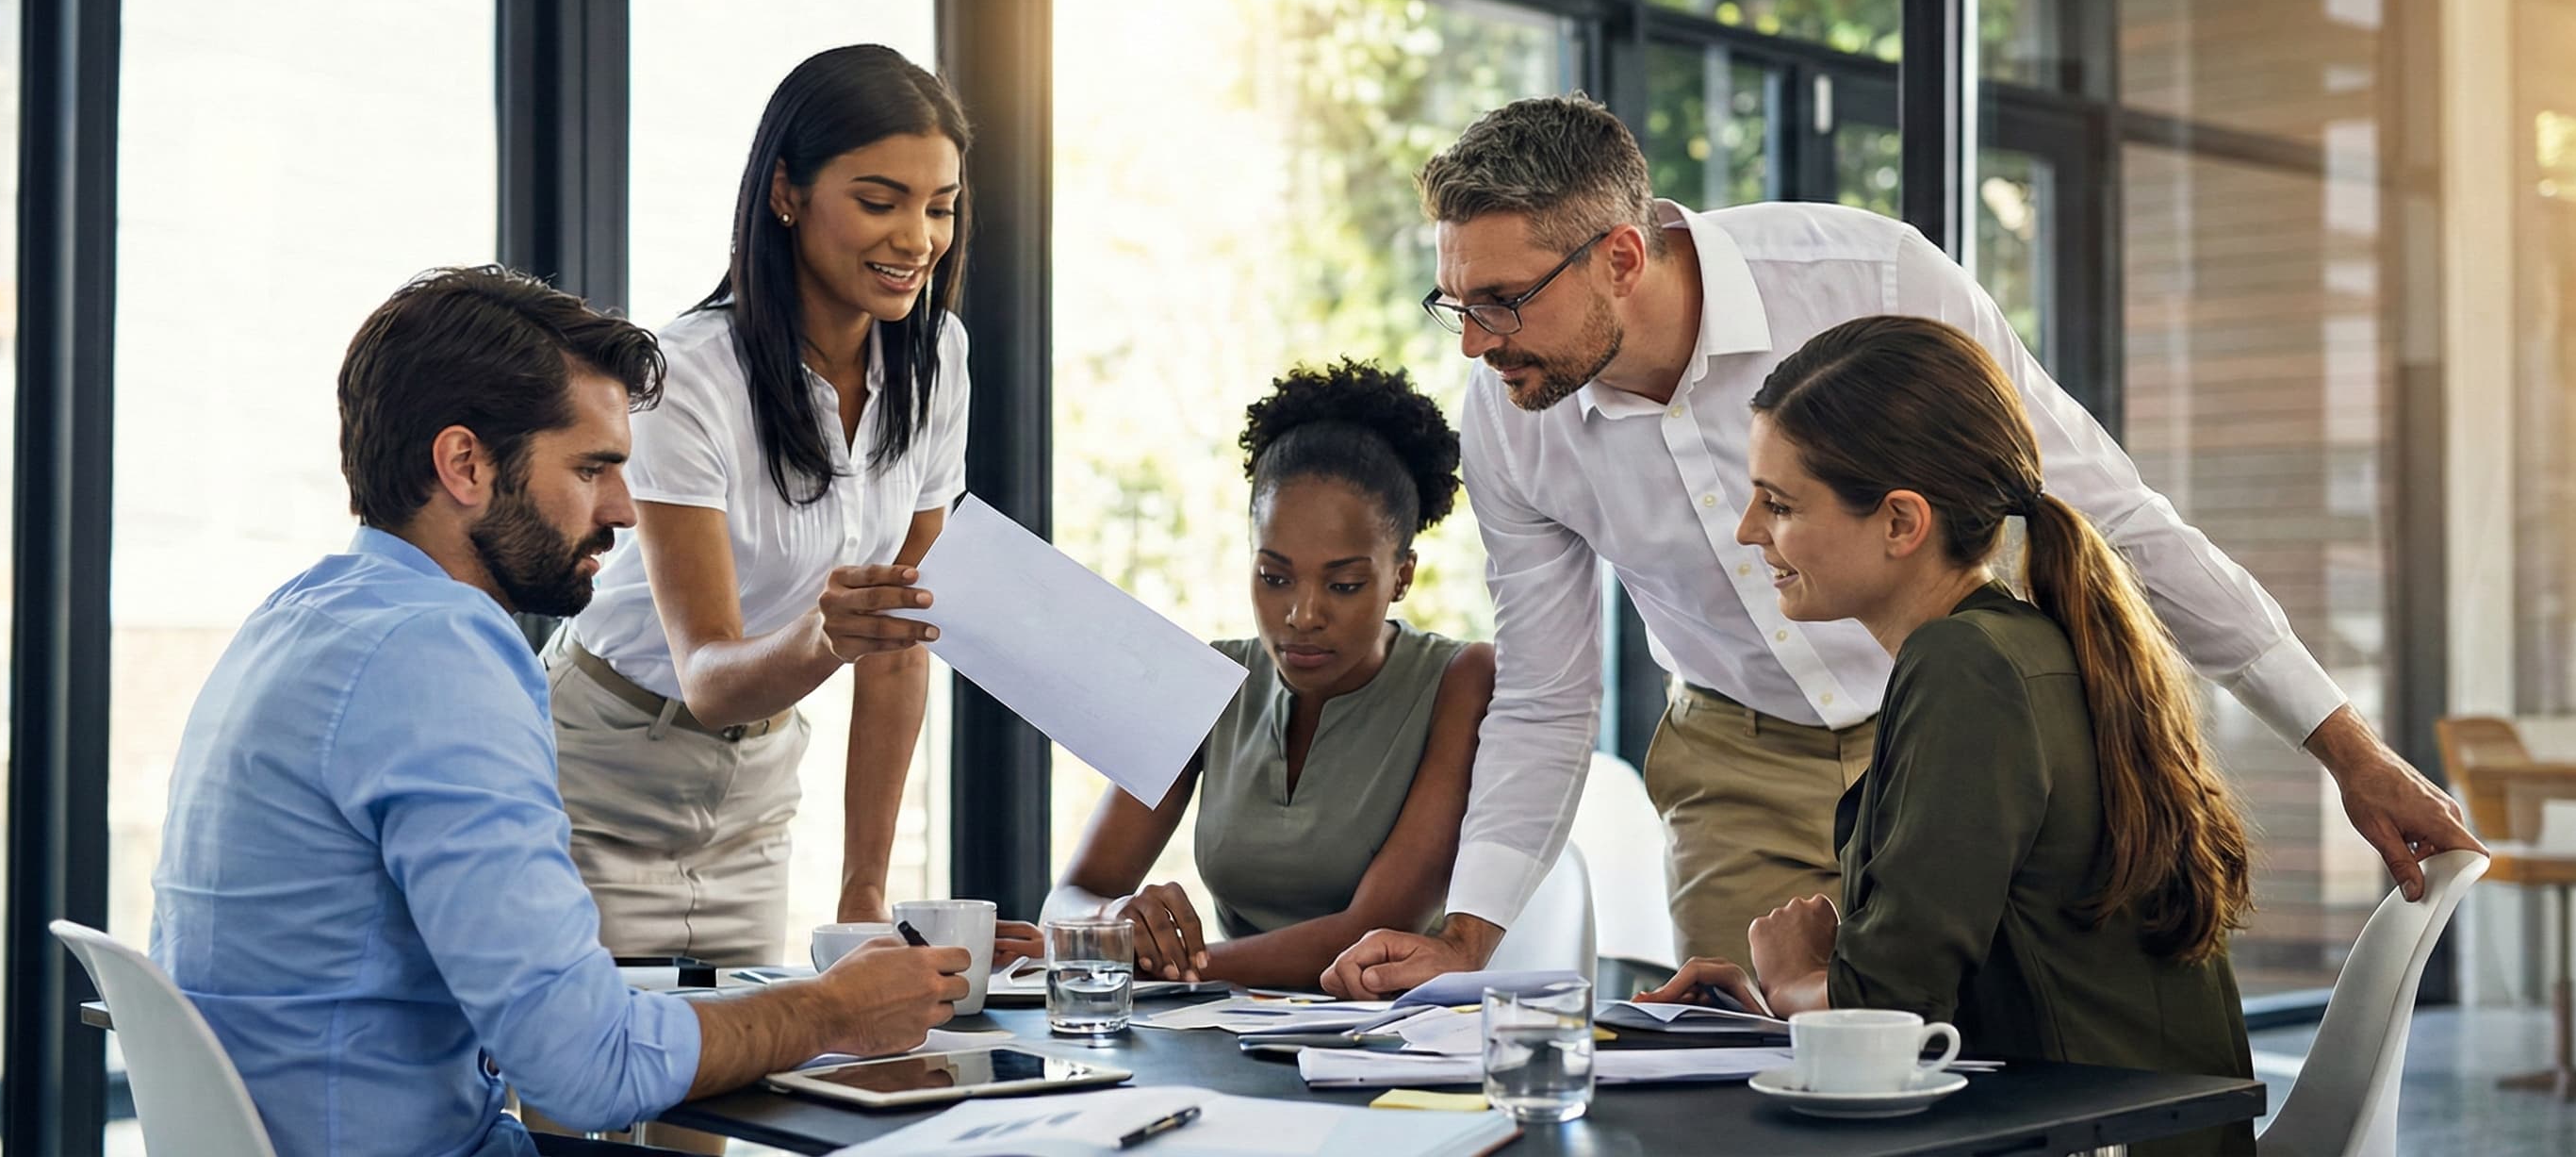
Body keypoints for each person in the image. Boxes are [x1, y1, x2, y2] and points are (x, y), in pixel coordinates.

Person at [1324, 93, 2480, 1000]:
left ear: (1620, 258)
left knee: (1993, 1083)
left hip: (1965, 741)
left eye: (1502, 303)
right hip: (1740, 768)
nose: (1474, 343)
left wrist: (2345, 748)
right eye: (1454, 304)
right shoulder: (1513, 423)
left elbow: (2109, 514)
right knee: (1752, 1094)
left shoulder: (1866, 280)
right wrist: (1469, 935)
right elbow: (1545, 694)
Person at [149, 267, 974, 1157]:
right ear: (465, 464)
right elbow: (585, 1068)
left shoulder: (300, 614)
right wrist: (833, 1009)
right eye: (591, 469)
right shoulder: (439, 659)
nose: (621, 509)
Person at [1636, 315, 2255, 1157]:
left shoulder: (1966, 666)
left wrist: (1791, 983)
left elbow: (1894, 1009)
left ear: (1900, 523)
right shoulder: (2016, 644)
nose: (1749, 532)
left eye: (1780, 505)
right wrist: (1788, 997)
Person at [549, 44, 1029, 967]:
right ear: (786, 193)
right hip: (599, 775)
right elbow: (711, 675)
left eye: (940, 207)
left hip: (758, 792)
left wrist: (864, 890)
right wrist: (832, 632)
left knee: (725, 1091)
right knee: (585, 1094)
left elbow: (899, 643)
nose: (917, 239)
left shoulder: (938, 362)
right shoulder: (685, 373)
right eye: (880, 201)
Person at [1043, 361, 1495, 990]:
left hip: (1396, 1043)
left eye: (1344, 584)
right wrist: (1113, 918)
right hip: (1234, 1032)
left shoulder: (1461, 679)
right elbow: (1068, 899)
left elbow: (1370, 933)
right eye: (1275, 577)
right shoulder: (1208, 678)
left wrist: (1154, 967)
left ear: (1402, 575)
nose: (1302, 615)